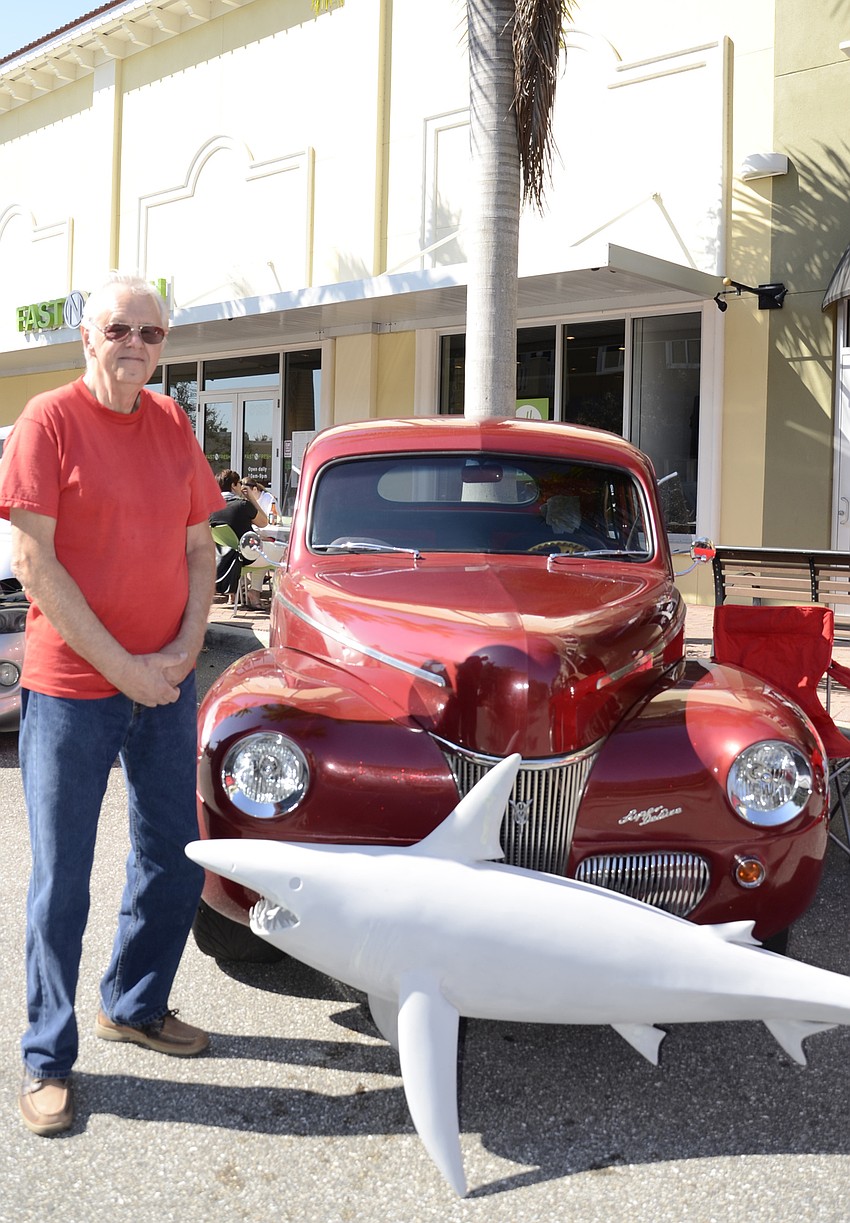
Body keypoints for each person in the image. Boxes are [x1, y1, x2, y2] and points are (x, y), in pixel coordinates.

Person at [0, 272, 224, 1137]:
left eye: (152, 333)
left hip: (164, 686)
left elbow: (202, 548)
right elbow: (33, 563)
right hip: (72, 692)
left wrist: (180, 650)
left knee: (176, 857)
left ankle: (134, 1002)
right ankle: (46, 1058)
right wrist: (125, 668)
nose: (136, 344)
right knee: (62, 880)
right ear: (86, 338)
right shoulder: (47, 425)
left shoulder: (172, 425)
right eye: (120, 328)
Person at [209, 471, 268, 608]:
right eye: (239, 483)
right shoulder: (242, 505)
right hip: (245, 557)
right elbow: (264, 522)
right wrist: (251, 499)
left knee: (246, 547)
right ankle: (254, 592)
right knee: (269, 552)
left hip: (223, 558)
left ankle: (234, 594)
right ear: (234, 485)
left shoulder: (210, 508)